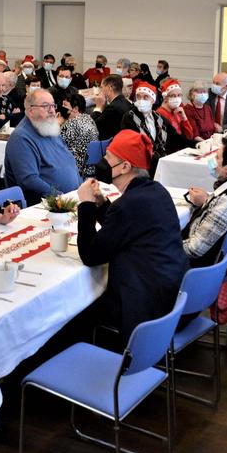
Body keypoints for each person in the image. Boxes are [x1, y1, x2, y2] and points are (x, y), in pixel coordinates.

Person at [76, 130, 186, 337]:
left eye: (109, 157)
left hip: (143, 303)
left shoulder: (128, 204)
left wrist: (87, 205)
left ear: (125, 166)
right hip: (170, 292)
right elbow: (124, 229)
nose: (103, 161)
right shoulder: (157, 191)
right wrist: (101, 203)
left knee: (79, 310)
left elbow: (90, 255)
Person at [182, 137, 227, 268]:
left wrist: (164, 244)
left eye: (217, 157)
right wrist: (207, 201)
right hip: (211, 257)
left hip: (196, 266)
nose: (212, 161)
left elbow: (194, 250)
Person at [4, 89, 81, 205]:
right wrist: (61, 198)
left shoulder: (49, 128)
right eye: (45, 106)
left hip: (72, 198)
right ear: (30, 111)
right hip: (47, 205)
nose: (52, 111)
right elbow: (29, 180)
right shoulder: (21, 138)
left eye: (53, 105)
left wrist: (81, 187)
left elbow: (69, 161)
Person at [120, 81, 174, 176]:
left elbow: (175, 136)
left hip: (159, 161)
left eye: (145, 97)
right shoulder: (129, 117)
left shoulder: (158, 118)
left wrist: (196, 144)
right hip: (140, 163)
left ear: (152, 100)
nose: (141, 100)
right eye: (138, 97)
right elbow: (136, 145)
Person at [59, 93, 99, 178]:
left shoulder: (71, 124)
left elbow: (55, 143)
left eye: (65, 106)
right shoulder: (89, 118)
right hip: (92, 167)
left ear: (75, 108)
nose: (62, 108)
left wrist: (58, 123)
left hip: (78, 169)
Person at [90, 73, 131, 140]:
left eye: (102, 87)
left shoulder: (112, 108)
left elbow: (93, 127)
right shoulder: (126, 102)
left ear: (109, 88)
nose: (100, 90)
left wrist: (98, 108)